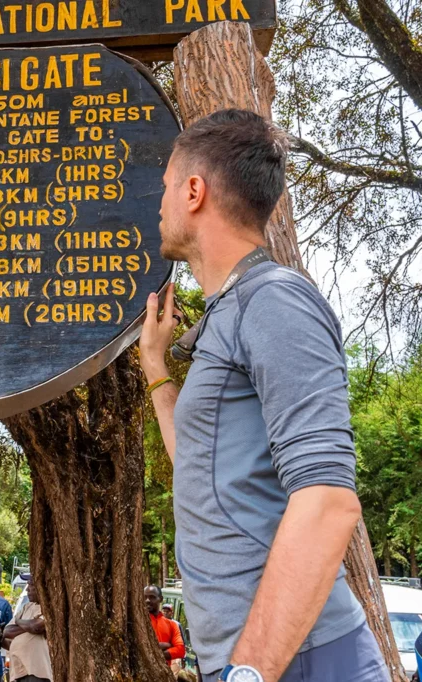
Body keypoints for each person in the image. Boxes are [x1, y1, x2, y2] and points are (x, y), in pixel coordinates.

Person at [140, 109, 388, 682]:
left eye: (166, 188)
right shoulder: (231, 311)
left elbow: (329, 500)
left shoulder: (274, 301)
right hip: (253, 661)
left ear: (194, 191)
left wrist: (249, 670)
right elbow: (200, 469)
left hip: (296, 660)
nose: (159, 205)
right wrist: (157, 369)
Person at [2, 579, 51, 682]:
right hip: (18, 671)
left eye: (31, 585)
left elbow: (36, 627)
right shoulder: (26, 607)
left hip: (37, 672)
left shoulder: (48, 607)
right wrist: (28, 625)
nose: (28, 589)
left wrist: (18, 621)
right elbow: (7, 631)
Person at [145, 585, 185, 666]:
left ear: (161, 599)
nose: (147, 600)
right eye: (144, 597)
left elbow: (181, 650)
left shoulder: (172, 625)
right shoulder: (136, 622)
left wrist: (154, 655)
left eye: (152, 597)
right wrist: (167, 645)